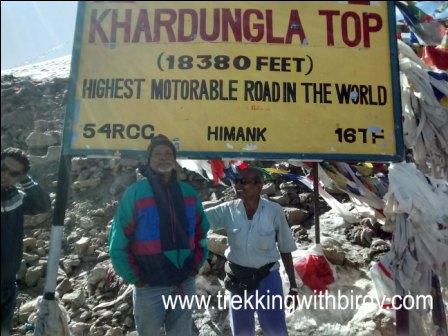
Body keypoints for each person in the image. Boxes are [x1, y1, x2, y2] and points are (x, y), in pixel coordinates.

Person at [109, 134, 209, 336]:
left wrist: (195, 265)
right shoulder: (135, 193)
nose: (163, 158)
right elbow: (119, 240)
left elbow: (202, 233)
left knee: (181, 332)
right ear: (149, 159)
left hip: (184, 281)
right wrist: (134, 277)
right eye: (157, 154)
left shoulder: (189, 192)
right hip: (149, 285)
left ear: (174, 159)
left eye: (168, 153)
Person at [205, 167, 298, 336]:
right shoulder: (228, 209)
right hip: (238, 280)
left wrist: (293, 286)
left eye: (242, 182)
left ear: (258, 185)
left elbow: (285, 248)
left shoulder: (274, 210)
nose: (236, 186)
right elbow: (197, 219)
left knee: (275, 330)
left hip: (267, 279)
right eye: (236, 181)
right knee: (241, 332)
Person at [1, 148, 51, 335]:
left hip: (6, 285)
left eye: (14, 173)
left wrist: (25, 179)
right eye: (3, 167)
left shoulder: (14, 197)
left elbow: (43, 204)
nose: (5, 175)